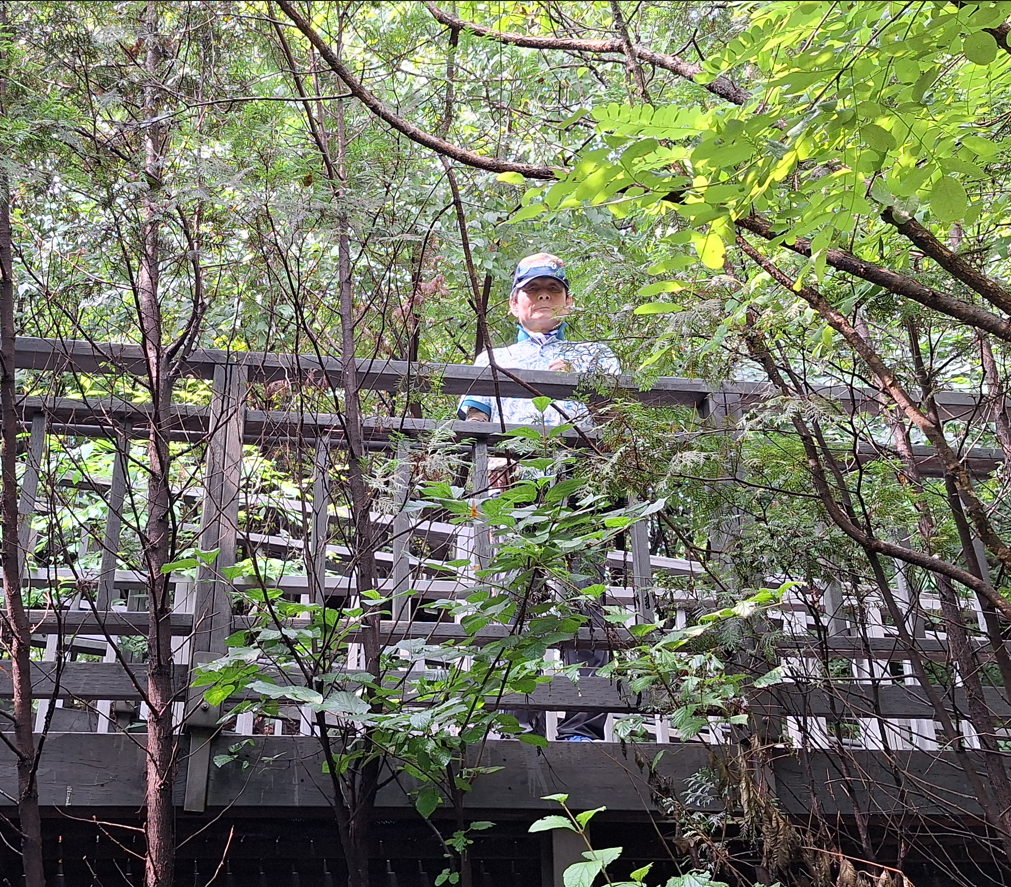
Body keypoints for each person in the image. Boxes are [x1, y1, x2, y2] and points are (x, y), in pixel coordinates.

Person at [457, 252, 620, 741]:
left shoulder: (597, 355)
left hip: (580, 487)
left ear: (568, 301)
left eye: (553, 290)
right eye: (533, 291)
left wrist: (578, 389)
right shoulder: (494, 359)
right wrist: (493, 459)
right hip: (513, 487)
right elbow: (473, 418)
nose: (543, 297)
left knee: (584, 599)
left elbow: (616, 418)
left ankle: (584, 726)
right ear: (514, 303)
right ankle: (513, 724)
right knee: (510, 597)